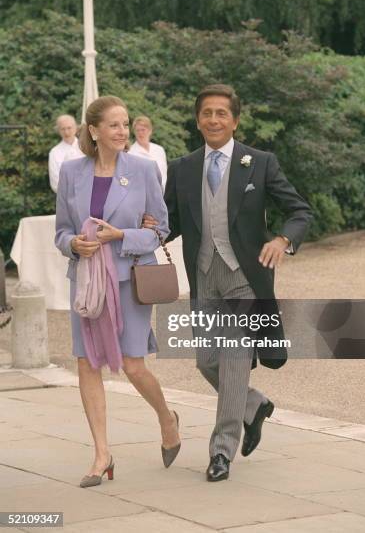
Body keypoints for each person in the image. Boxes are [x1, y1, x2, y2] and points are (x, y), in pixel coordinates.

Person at [144, 84, 312, 482]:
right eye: (207, 113)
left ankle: (221, 453)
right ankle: (253, 405)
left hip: (244, 280)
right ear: (198, 119)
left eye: (222, 113)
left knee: (235, 363)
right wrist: (147, 229)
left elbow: (299, 210)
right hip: (204, 279)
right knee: (207, 361)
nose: (214, 120)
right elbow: (169, 224)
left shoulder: (260, 162)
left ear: (235, 120)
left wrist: (282, 239)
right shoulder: (184, 168)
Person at [55, 96, 181, 488]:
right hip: (87, 283)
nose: (123, 131)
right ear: (93, 130)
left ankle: (166, 417)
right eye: (113, 125)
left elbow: (159, 229)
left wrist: (122, 235)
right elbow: (60, 230)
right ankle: (102, 455)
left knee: (132, 364)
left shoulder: (143, 170)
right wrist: (74, 244)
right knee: (86, 363)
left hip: (130, 279)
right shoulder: (72, 172)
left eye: (125, 124)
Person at [128, 115, 168, 190]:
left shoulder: (160, 150)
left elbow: (165, 174)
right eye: (137, 130)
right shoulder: (130, 153)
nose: (140, 133)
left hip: (163, 195)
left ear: (150, 131)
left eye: (143, 130)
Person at [48, 114, 83, 193]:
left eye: (69, 128)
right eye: (62, 129)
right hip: (67, 200)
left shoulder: (87, 147)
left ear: (76, 128)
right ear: (58, 131)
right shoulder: (54, 153)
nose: (66, 132)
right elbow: (55, 183)